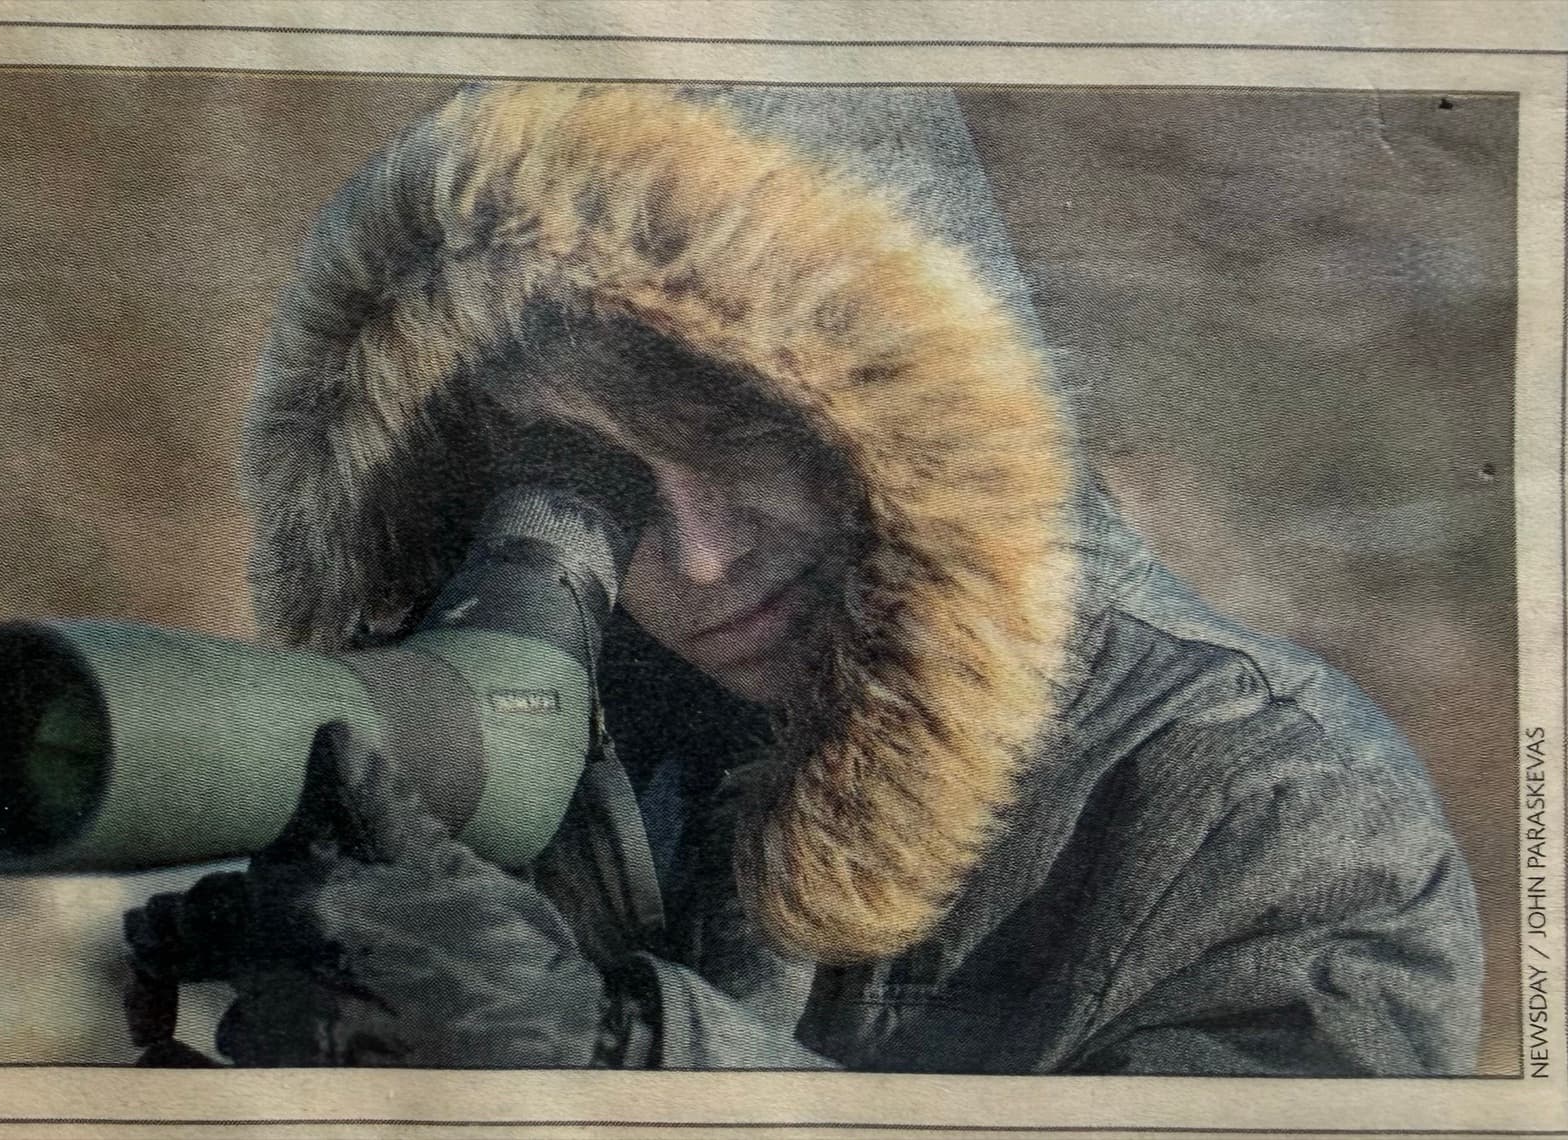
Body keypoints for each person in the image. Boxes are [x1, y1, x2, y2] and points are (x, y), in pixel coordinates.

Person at [175, 83, 1482, 1073]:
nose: (691, 557)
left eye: (738, 435)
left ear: (910, 422)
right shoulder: (574, 759)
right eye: (599, 494)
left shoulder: (1280, 818)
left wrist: (617, 1058)